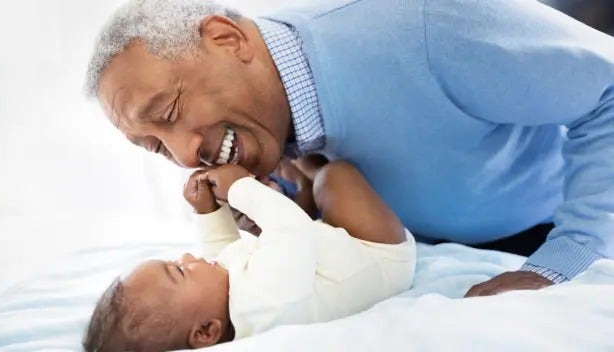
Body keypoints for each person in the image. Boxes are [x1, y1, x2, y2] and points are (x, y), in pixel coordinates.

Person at [85, 0, 614, 296]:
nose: (181, 155)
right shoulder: (273, 132)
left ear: (228, 39)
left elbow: (608, 89)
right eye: (154, 146)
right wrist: (295, 211)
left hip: (558, 222)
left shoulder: (426, 22)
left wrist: (562, 264)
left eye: (172, 114)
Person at [82, 161, 416, 352]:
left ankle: (302, 185)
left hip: (324, 249)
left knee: (291, 198)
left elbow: (222, 251)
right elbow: (292, 230)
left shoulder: (230, 307)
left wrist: (208, 210)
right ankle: (311, 175)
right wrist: (240, 187)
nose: (186, 255)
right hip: (379, 252)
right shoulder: (265, 305)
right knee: (334, 177)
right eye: (179, 271)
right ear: (205, 333)